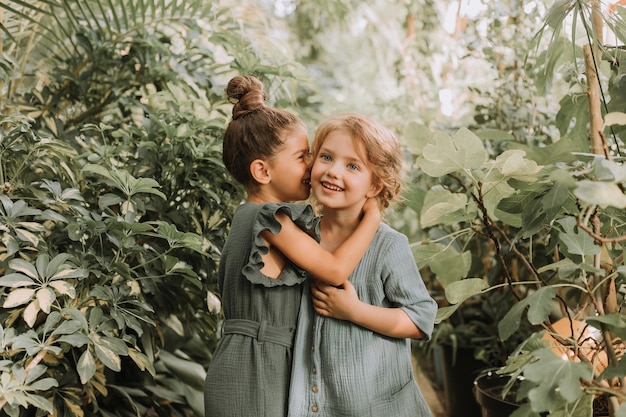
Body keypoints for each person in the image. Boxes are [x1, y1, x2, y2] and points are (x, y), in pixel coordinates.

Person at [203, 76, 380, 417]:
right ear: (262, 171)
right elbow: (334, 270)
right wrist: (372, 217)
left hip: (252, 363)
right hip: (255, 371)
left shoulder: (251, 216)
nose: (312, 167)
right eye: (302, 157)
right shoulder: (269, 220)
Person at [287, 114, 438, 417]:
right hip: (314, 403)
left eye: (352, 166)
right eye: (326, 157)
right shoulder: (300, 236)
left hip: (374, 405)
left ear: (374, 186)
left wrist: (354, 311)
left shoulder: (388, 246)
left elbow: (421, 320)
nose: (332, 171)